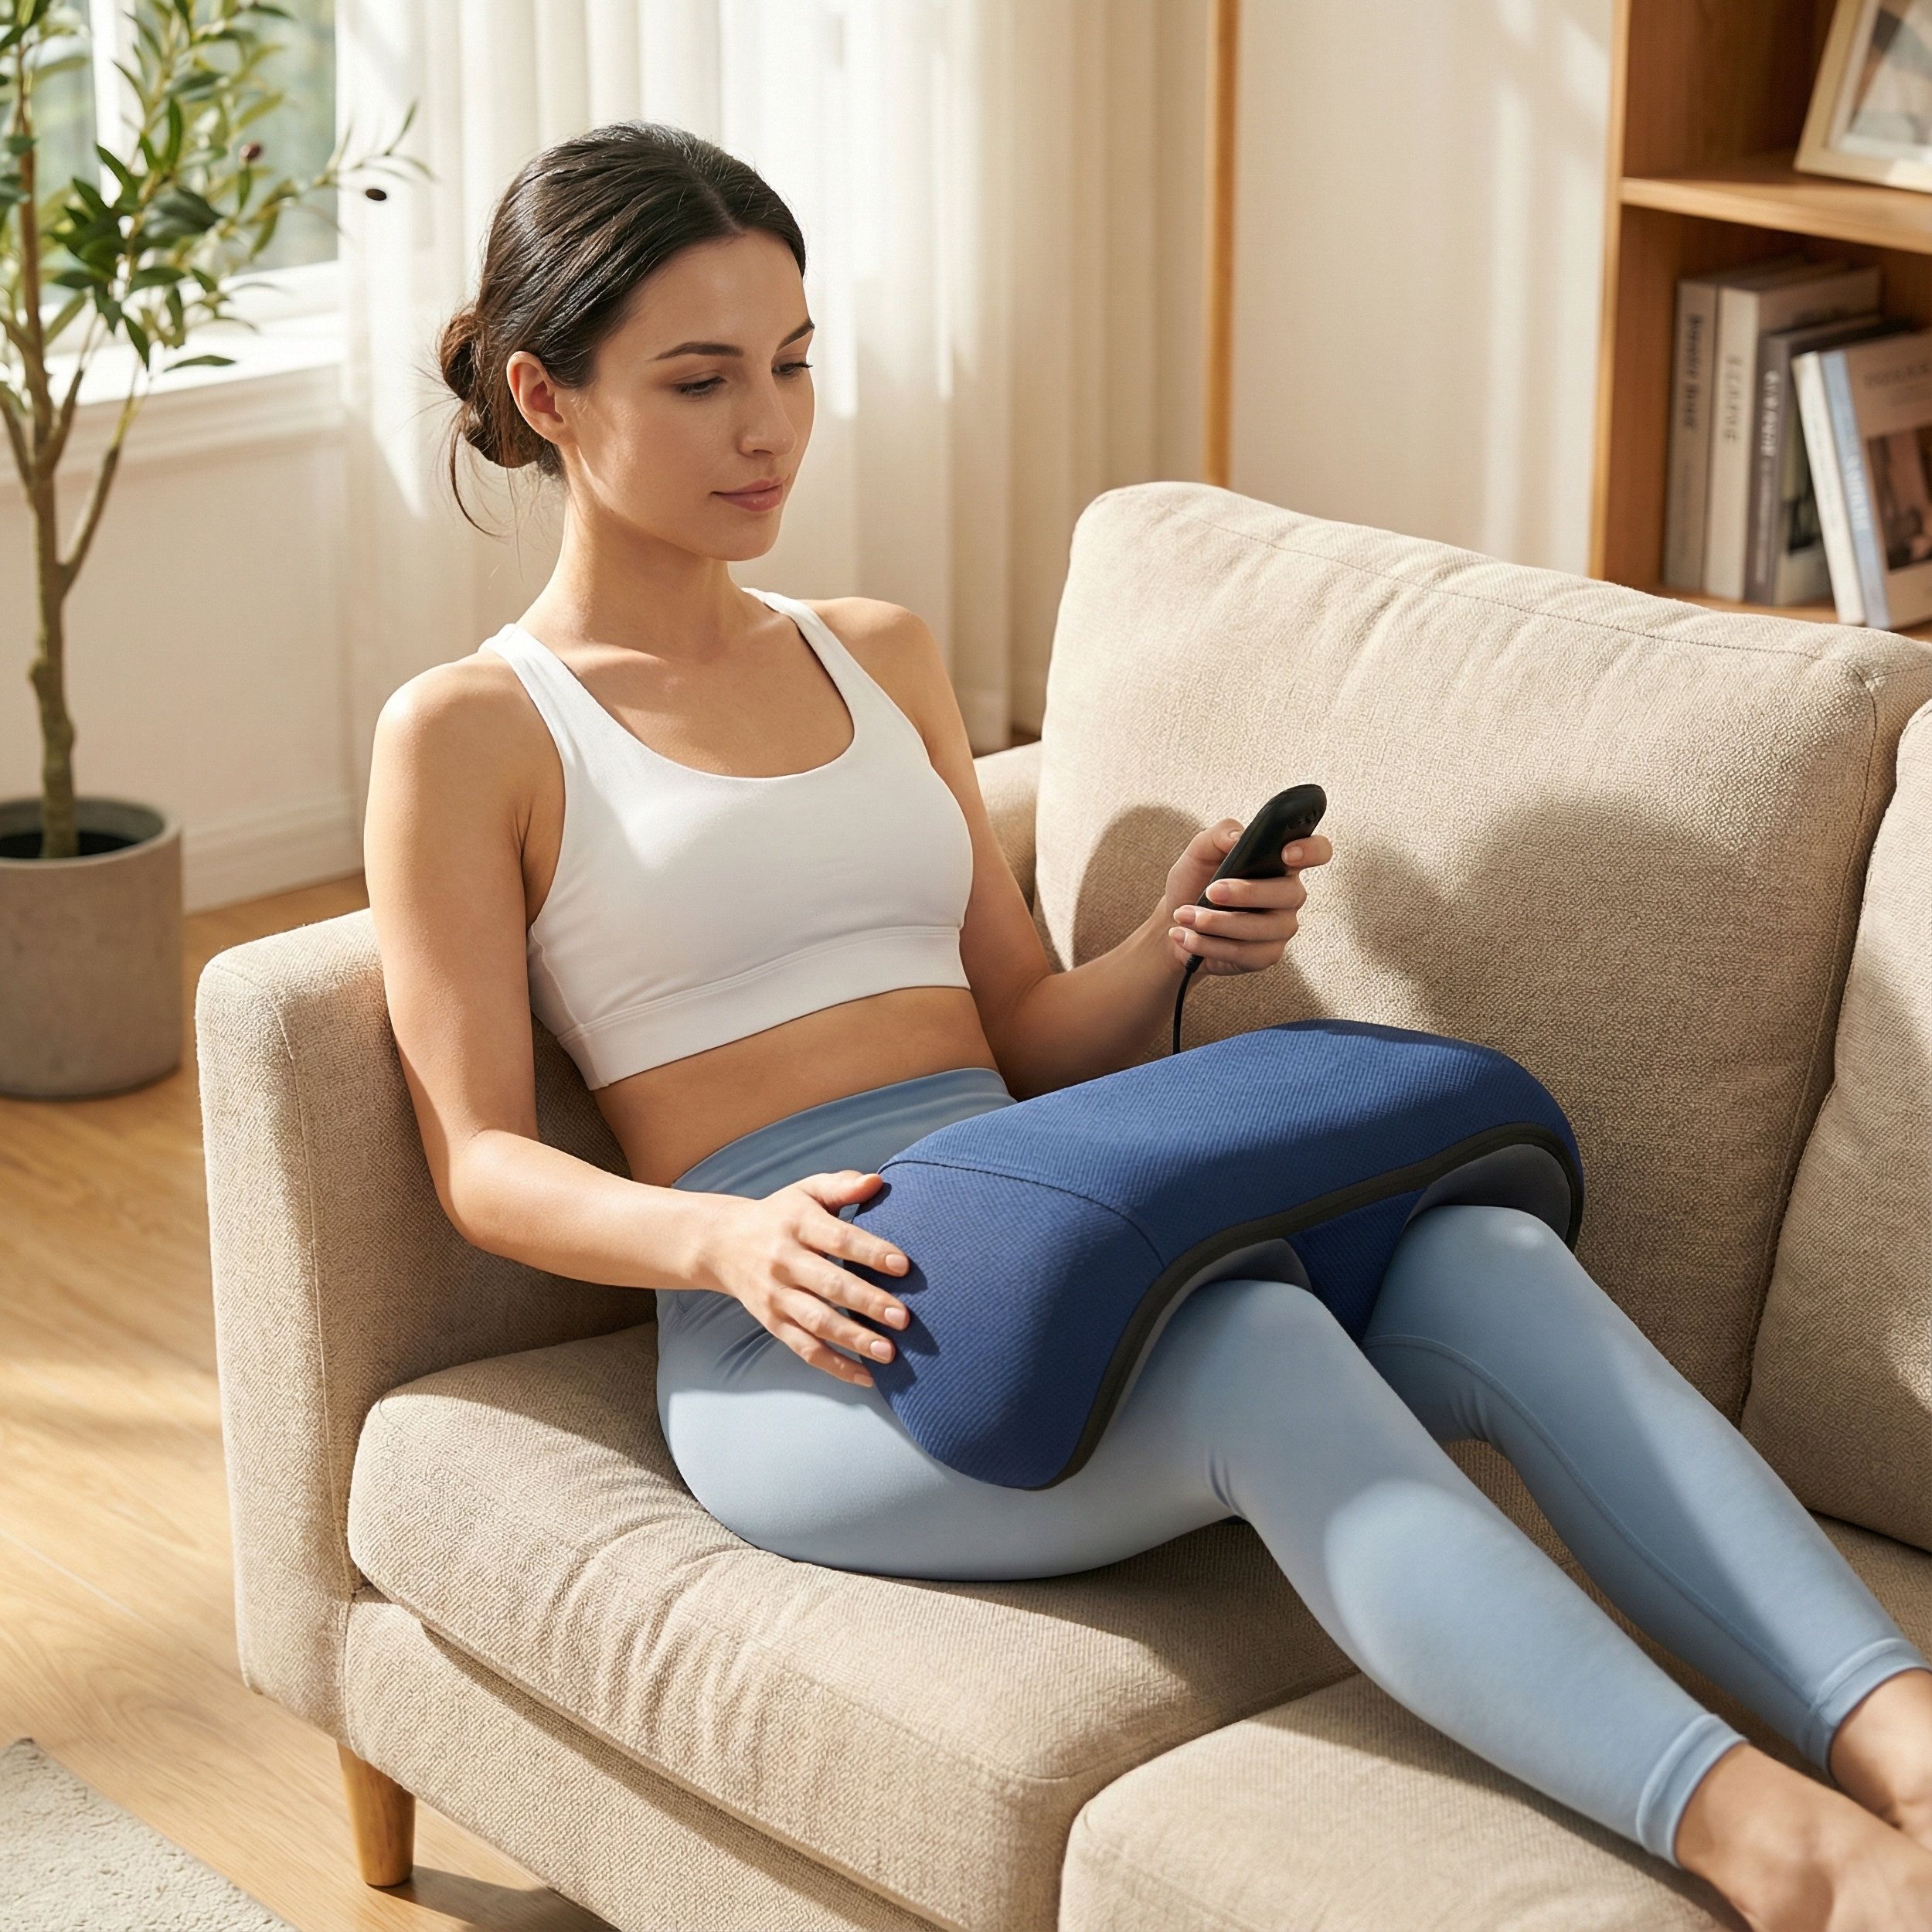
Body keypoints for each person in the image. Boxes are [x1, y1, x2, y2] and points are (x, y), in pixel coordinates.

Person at [361, 120, 1932, 1931]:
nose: (767, 428)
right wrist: (729, 1240)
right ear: (547, 395)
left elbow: (1019, 1027)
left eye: (793, 364)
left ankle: (1895, 1733)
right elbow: (477, 1159)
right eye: (700, 379)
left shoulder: (874, 649)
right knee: (1258, 1346)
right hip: (807, 1337)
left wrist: (1169, 942)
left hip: (1053, 1213)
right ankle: (1781, 1854)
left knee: (1486, 1255)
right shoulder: (472, 731)